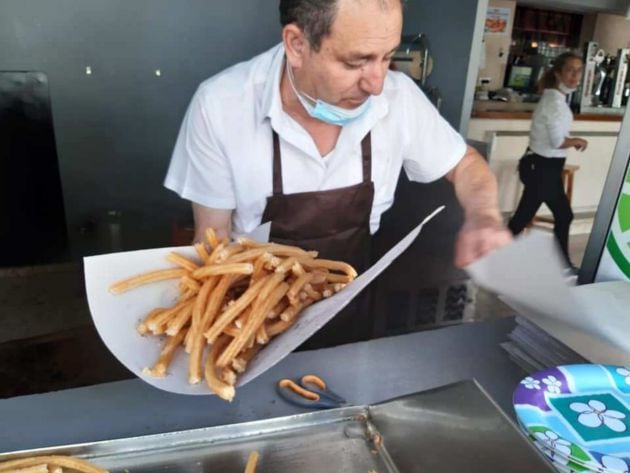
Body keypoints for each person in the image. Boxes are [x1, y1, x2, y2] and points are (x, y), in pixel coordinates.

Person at [164, 0, 511, 346]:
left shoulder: (398, 97)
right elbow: (213, 242)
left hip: (349, 315)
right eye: (355, 62)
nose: (376, 84)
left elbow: (466, 164)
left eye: (387, 57)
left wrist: (484, 216)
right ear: (297, 45)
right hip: (252, 326)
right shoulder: (222, 105)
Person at [508, 52, 588, 271]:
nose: (575, 75)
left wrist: (571, 141)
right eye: (570, 70)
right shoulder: (554, 102)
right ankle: (562, 265)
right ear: (558, 72)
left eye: (579, 70)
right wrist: (577, 141)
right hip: (543, 168)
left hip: (542, 167)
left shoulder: (555, 98)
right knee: (561, 215)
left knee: (524, 217)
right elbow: (556, 142)